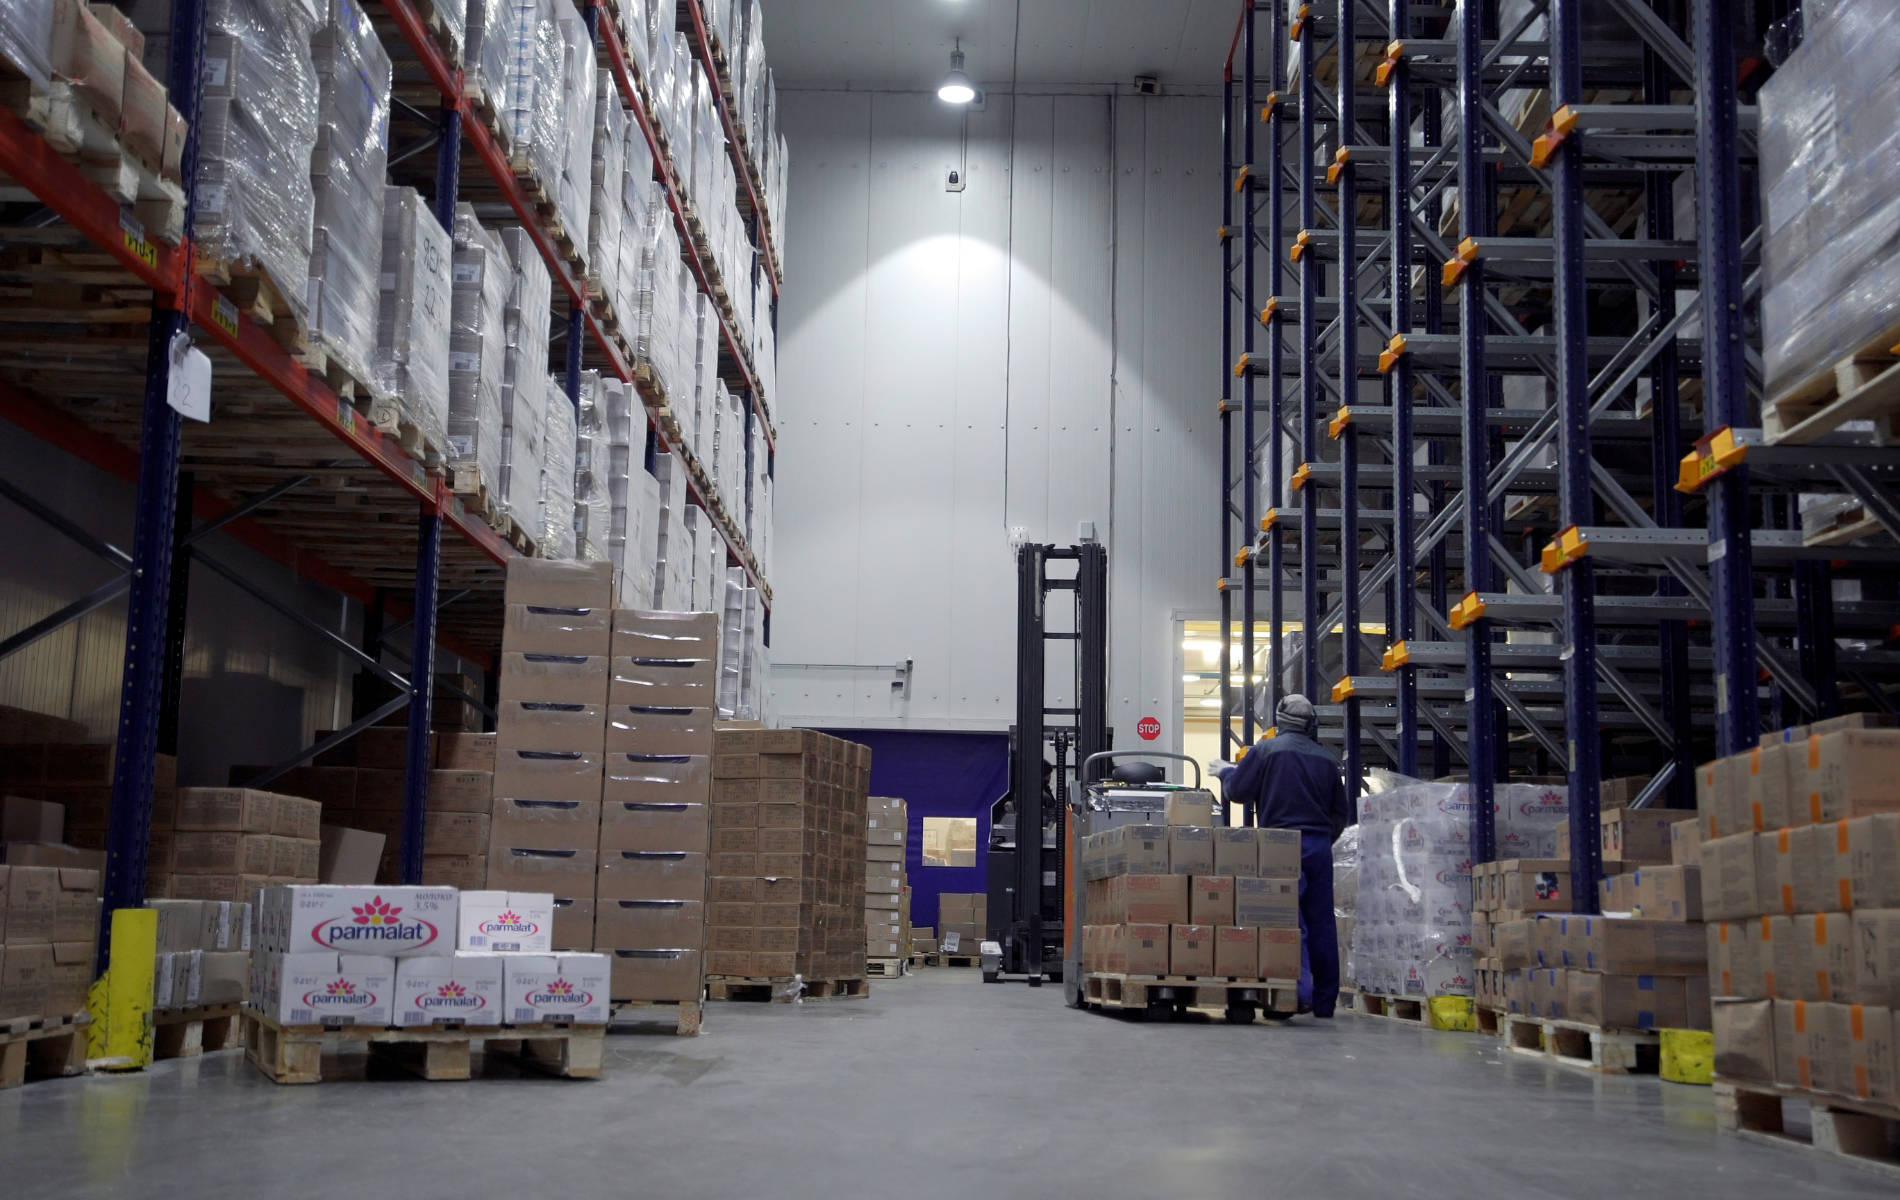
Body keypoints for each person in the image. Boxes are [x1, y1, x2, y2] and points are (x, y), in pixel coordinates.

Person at [1211, 690, 1351, 1018]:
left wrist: (1227, 772)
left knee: (1287, 920)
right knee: (1321, 923)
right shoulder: (1327, 759)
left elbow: (1238, 792)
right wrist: (1322, 840)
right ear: (1311, 723)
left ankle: (1295, 995)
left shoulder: (1266, 750)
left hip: (1280, 846)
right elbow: (1340, 813)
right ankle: (1324, 1002)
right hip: (1319, 847)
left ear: (1279, 720)